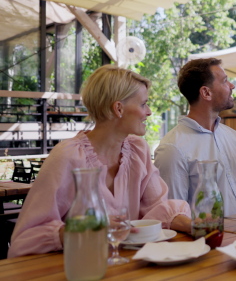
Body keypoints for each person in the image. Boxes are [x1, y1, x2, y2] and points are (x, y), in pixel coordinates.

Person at [9, 65, 191, 258]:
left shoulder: (138, 150)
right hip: (78, 268)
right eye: (143, 104)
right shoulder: (67, 156)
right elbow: (24, 239)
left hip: (127, 267)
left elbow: (156, 210)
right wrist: (81, 230)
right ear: (118, 108)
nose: (149, 112)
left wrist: (190, 225)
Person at [154, 58, 236, 217]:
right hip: (209, 238)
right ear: (206, 93)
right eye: (225, 81)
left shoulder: (235, 137)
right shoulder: (172, 149)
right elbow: (173, 217)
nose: (232, 86)